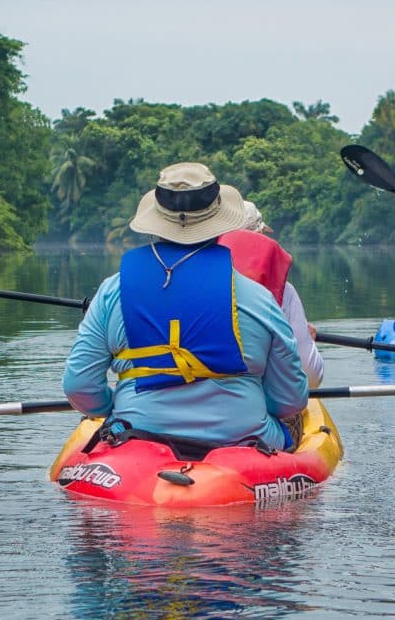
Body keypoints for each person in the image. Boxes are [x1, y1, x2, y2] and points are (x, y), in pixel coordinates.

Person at [62, 162, 309, 452]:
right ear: (220, 221)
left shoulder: (111, 293)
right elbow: (291, 400)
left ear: (156, 219)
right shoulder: (259, 298)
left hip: (137, 437)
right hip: (244, 442)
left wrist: (111, 403)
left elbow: (79, 386)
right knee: (296, 423)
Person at [218, 201, 324, 387]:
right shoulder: (285, 292)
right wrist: (309, 342)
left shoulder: (195, 286)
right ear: (260, 237)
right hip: (261, 405)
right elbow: (311, 377)